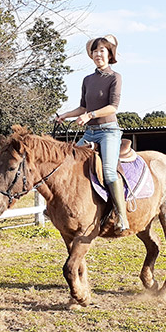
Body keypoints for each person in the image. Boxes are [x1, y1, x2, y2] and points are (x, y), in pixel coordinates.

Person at [56, 34, 129, 232]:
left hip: (109, 132)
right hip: (90, 132)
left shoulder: (115, 77)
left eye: (102, 50)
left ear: (109, 54)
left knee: (108, 171)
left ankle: (122, 216)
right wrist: (65, 115)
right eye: (95, 51)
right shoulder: (88, 80)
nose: (98, 54)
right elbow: (82, 107)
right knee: (66, 162)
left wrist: (90, 115)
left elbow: (113, 107)